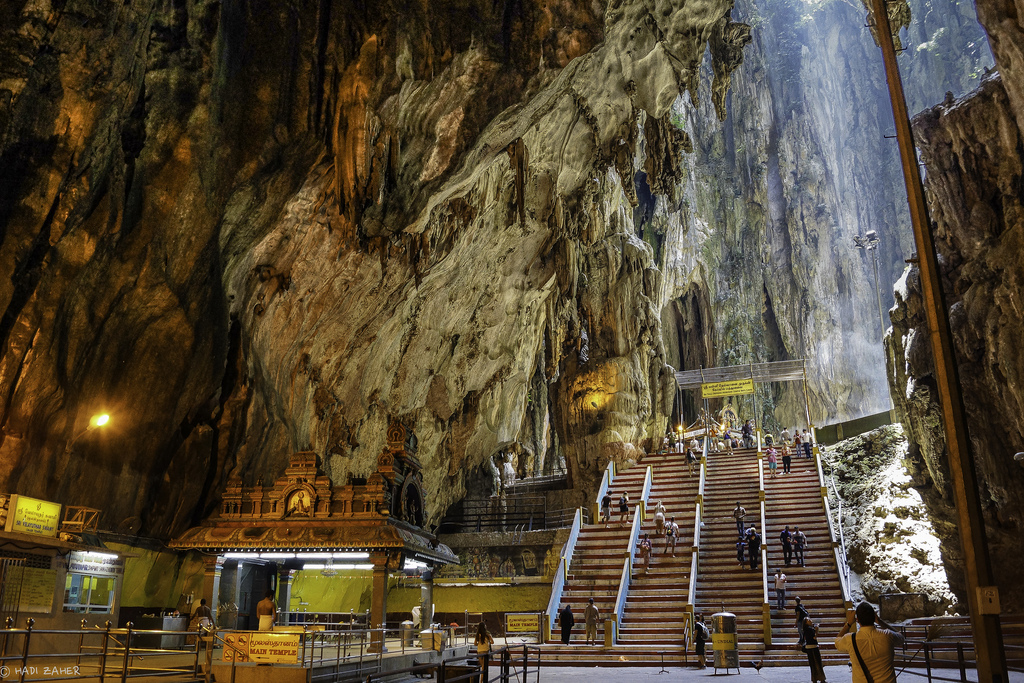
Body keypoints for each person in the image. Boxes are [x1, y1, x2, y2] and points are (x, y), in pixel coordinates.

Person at [835, 602, 905, 683]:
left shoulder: (850, 639)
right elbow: (901, 638)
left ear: (857, 619)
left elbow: (837, 641)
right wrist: (879, 621)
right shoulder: (887, 635)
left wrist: (849, 623)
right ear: (874, 616)